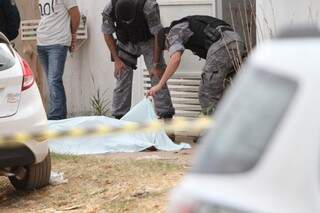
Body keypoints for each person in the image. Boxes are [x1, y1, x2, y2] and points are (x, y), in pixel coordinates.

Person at [148, 15, 245, 115]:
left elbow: (175, 59)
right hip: (236, 41)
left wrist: (160, 84)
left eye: (167, 47)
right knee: (231, 90)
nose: (169, 50)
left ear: (166, 36)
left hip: (223, 43)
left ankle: (214, 128)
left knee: (207, 92)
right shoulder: (187, 25)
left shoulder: (173, 32)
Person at [101, 0, 175, 120]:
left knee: (157, 76)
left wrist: (156, 64)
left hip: (149, 42)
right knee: (122, 75)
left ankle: (166, 118)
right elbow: (107, 33)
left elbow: (158, 34)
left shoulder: (149, 6)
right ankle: (119, 119)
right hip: (126, 43)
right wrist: (117, 61)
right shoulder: (110, 8)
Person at [37, 0, 80, 120]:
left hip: (58, 42)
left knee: (54, 80)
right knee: (51, 82)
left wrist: (73, 35)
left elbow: (76, 15)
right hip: (42, 43)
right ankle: (58, 116)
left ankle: (56, 117)